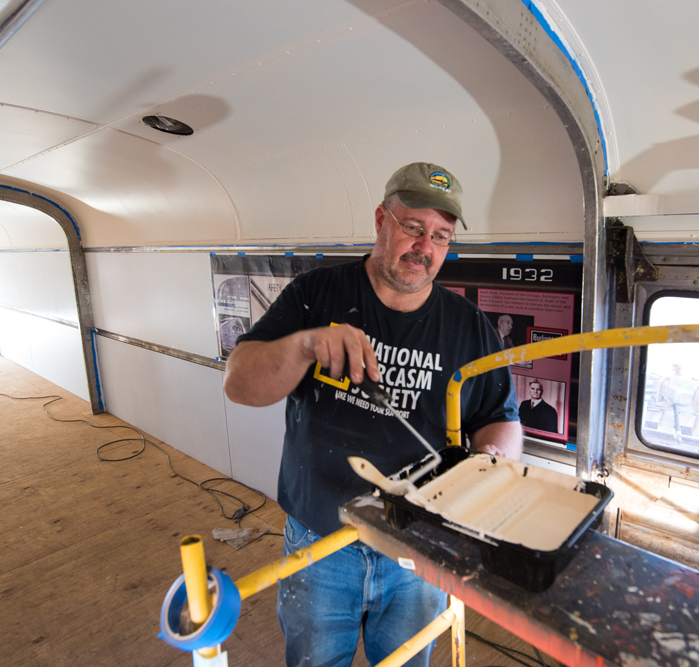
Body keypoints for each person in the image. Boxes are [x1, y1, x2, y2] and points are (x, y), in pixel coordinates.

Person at [224, 162, 522, 667]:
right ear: (382, 219)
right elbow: (239, 384)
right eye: (413, 228)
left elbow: (501, 418)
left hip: (418, 548)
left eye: (441, 237)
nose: (425, 248)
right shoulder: (315, 295)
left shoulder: (469, 327)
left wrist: (491, 462)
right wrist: (306, 344)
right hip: (320, 541)